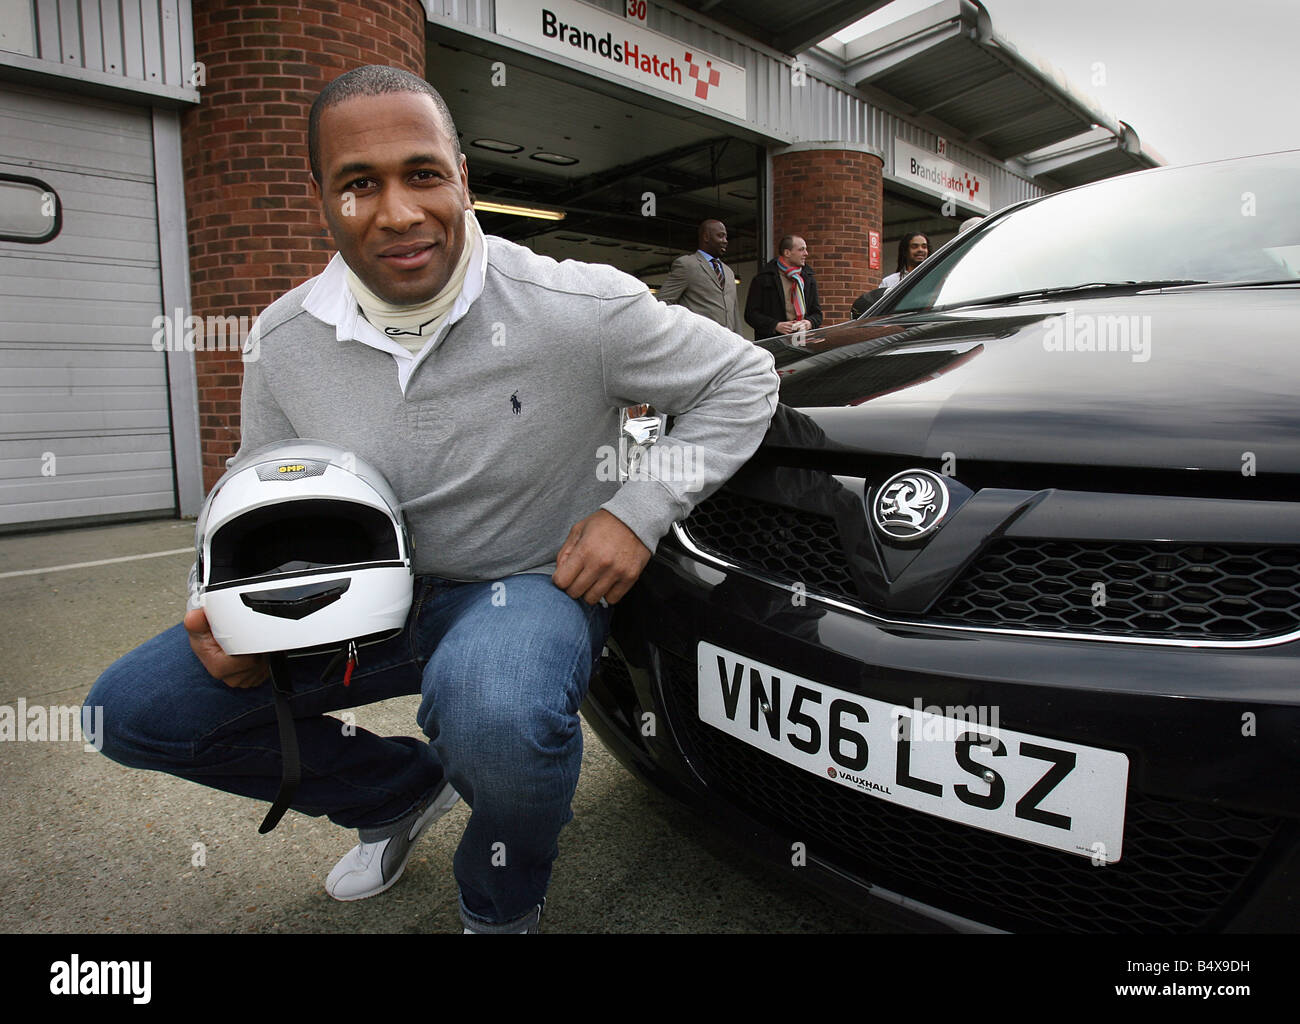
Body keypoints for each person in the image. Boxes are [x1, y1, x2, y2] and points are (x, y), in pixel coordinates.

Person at [84, 66, 779, 934]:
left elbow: (744, 378)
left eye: (422, 174)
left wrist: (635, 511)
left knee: (497, 714)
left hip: (518, 589)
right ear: (321, 199)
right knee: (128, 712)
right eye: (359, 183)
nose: (399, 212)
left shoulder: (580, 307)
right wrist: (220, 613)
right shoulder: (284, 338)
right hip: (353, 598)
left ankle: (499, 906)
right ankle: (399, 791)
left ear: (461, 177)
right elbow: (254, 485)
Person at [657, 219, 741, 333]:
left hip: (728, 344)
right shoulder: (687, 265)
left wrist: (740, 342)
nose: (725, 241)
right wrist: (683, 331)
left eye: (726, 237)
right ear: (706, 237)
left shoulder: (729, 272)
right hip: (699, 341)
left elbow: (734, 313)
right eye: (720, 236)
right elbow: (663, 302)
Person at [744, 235, 823, 338]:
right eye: (801, 250)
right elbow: (751, 315)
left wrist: (808, 323)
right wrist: (775, 326)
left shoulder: (808, 279)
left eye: (806, 250)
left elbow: (817, 314)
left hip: (803, 340)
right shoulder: (763, 279)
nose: (806, 254)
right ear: (787, 253)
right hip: (772, 343)